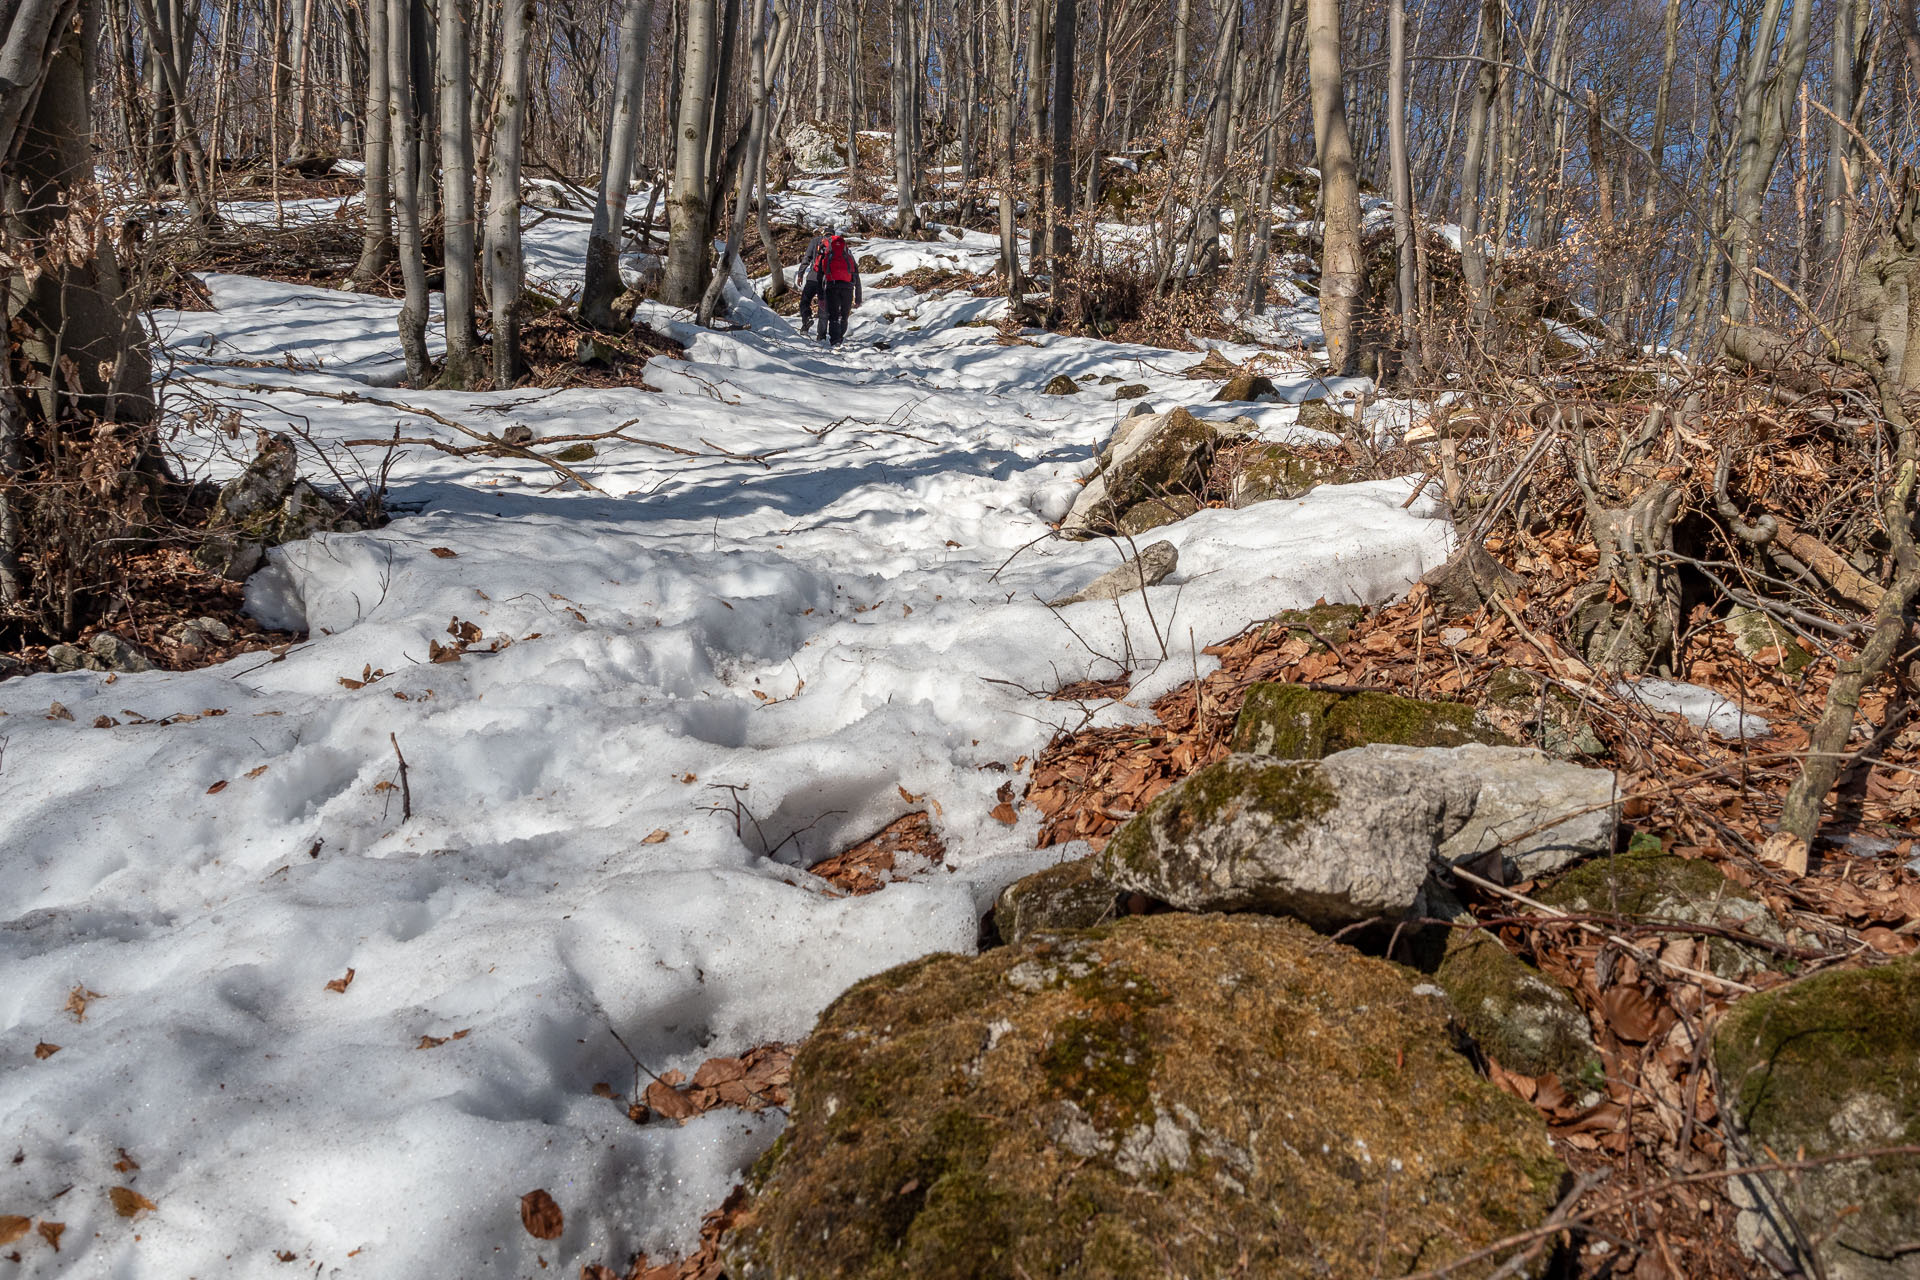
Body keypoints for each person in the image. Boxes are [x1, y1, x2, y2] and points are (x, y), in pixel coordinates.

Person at [816, 228, 862, 347]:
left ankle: (835, 340)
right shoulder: (848, 254)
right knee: (845, 315)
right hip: (848, 287)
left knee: (834, 315)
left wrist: (820, 296)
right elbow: (856, 276)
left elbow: (820, 277)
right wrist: (858, 298)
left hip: (832, 286)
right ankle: (840, 336)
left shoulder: (826, 254)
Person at [795, 231, 827, 338]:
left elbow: (806, 258)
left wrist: (800, 274)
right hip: (827, 281)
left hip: (813, 278)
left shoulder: (816, 241)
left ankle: (807, 319)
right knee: (823, 306)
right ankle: (821, 336)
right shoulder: (837, 245)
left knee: (805, 301)